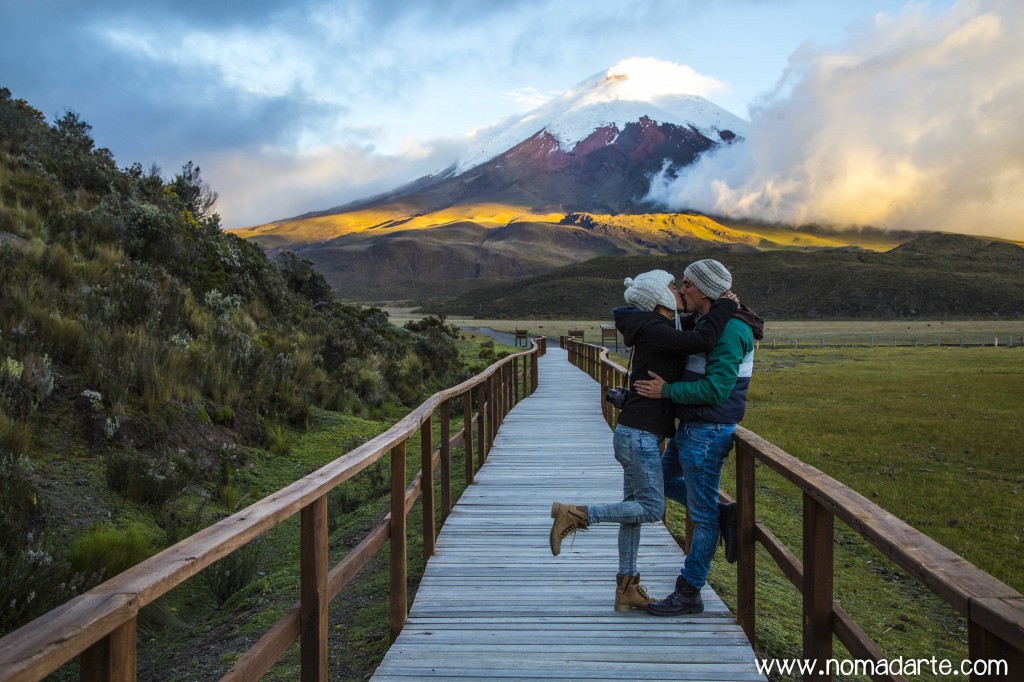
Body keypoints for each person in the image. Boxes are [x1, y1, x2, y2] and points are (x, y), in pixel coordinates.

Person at [549, 269, 739, 611]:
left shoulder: (658, 327)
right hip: (638, 435)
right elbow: (702, 342)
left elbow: (694, 339)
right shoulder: (655, 328)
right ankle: (576, 514)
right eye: (672, 286)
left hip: (637, 433)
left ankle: (626, 589)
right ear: (658, 296)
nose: (678, 291)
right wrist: (725, 305)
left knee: (633, 514)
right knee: (652, 508)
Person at [635, 258, 764, 616]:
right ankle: (724, 513)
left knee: (701, 517)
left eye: (687, 284)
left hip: (707, 430)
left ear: (704, 290)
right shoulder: (709, 322)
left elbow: (719, 388)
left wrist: (667, 392)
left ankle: (689, 591)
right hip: (693, 427)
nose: (680, 290)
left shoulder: (730, 330)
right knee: (658, 484)